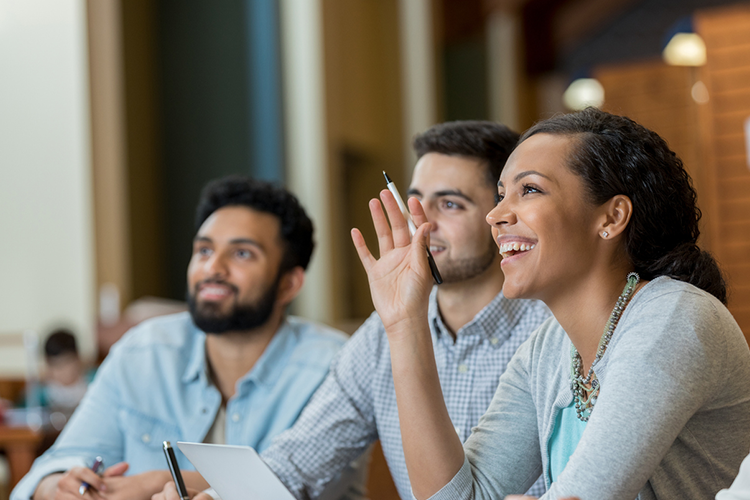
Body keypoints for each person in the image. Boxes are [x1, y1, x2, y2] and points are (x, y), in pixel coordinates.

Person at [351, 108, 750, 499]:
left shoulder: (673, 318)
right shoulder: (547, 351)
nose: (495, 215)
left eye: (530, 190)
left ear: (611, 217)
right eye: (501, 195)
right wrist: (404, 322)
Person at [258, 121, 550, 499]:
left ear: (501, 215)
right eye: (413, 201)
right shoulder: (382, 333)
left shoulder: (552, 331)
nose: (422, 224)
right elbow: (297, 461)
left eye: (450, 204)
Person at [12, 177, 348, 500]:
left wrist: (156, 482)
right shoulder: (143, 352)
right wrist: (61, 488)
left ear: (289, 283)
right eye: (203, 250)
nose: (212, 267)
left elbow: (298, 484)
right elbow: (56, 467)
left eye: (242, 253)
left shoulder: (332, 365)